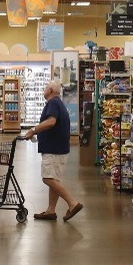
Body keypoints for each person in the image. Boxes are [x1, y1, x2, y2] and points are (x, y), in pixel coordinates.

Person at [24, 81, 83, 221]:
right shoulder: (59, 103)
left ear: (50, 90)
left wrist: (33, 130)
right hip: (60, 148)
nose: (44, 90)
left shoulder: (52, 103)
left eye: (45, 88)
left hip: (54, 150)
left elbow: (51, 122)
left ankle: (72, 203)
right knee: (54, 179)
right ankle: (51, 210)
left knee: (48, 178)